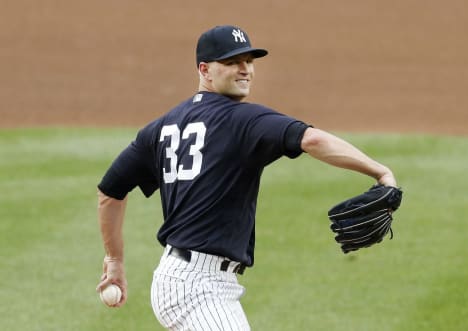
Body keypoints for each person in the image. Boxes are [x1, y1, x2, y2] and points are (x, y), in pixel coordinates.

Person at [95, 25, 398, 330]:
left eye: (249, 61)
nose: (244, 70)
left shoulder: (161, 127)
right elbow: (312, 140)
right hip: (197, 287)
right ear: (205, 69)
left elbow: (110, 192)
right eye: (231, 62)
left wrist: (114, 260)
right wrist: (380, 172)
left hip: (189, 280)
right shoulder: (242, 120)